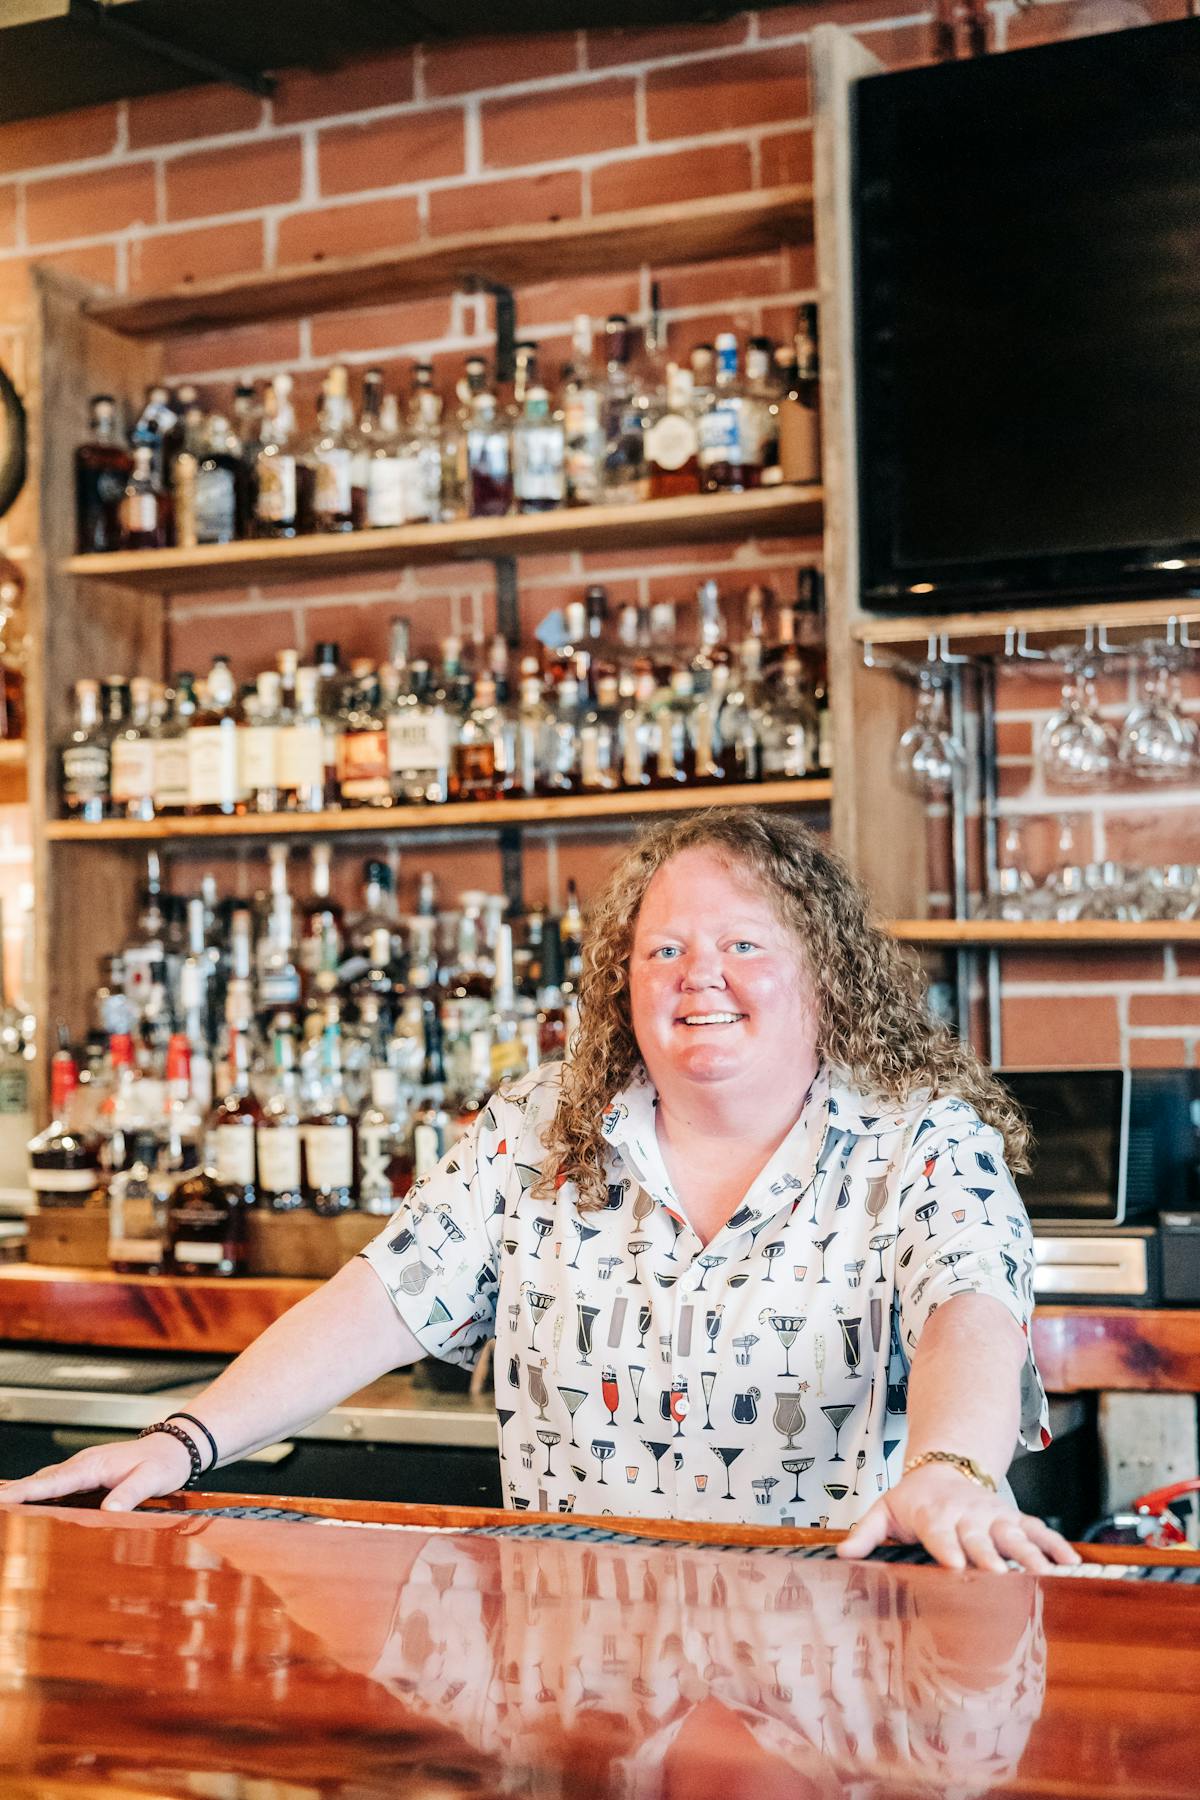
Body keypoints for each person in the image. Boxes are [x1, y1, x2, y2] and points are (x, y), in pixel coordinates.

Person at [0, 810, 1078, 1572]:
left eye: (744, 944)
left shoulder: (919, 1144)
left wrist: (947, 1472)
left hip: (840, 1649)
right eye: (665, 949)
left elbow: (969, 1311)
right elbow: (383, 1298)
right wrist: (180, 1441)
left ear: (825, 977)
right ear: (626, 982)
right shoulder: (539, 1129)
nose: (700, 973)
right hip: (573, 1661)